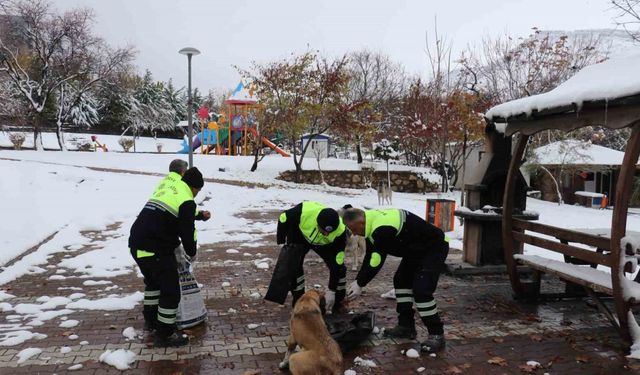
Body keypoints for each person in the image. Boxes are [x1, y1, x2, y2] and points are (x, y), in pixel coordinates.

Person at [342, 207, 449, 353]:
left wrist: (360, 283)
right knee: (401, 280)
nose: (353, 233)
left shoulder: (381, 228)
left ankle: (437, 334)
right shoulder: (372, 222)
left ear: (361, 222)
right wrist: (359, 280)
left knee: (422, 290)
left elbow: (376, 259)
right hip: (416, 249)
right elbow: (371, 254)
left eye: (353, 229)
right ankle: (406, 327)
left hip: (434, 247)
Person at [128, 167, 205, 347]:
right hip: (155, 249)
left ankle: (151, 319)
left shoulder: (172, 186)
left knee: (153, 283)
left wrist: (199, 215)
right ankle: (165, 333)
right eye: (198, 191)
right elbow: (187, 232)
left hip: (137, 244)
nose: (197, 194)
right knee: (170, 292)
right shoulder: (187, 200)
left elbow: (179, 211)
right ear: (194, 187)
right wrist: (192, 253)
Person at [272, 201, 348, 312]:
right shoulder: (304, 211)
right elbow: (283, 218)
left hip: (324, 244)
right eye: (323, 231)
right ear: (317, 223)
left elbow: (338, 262)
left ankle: (337, 302)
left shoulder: (340, 232)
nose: (326, 234)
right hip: (299, 236)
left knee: (340, 269)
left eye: (329, 233)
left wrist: (331, 290)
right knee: (294, 267)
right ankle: (299, 302)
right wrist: (281, 241)